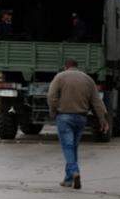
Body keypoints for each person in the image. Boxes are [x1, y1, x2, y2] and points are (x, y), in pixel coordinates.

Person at [47, 58, 109, 189]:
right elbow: (97, 101)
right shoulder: (88, 79)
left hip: (64, 116)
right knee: (73, 147)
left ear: (66, 67)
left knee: (68, 147)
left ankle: (75, 171)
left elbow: (51, 96)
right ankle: (68, 179)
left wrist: (53, 111)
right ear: (77, 67)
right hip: (81, 118)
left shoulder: (60, 77)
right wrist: (103, 120)